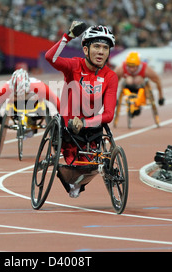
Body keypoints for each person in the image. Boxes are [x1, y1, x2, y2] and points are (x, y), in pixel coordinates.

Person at [45, 22, 118, 197]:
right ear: (86, 50)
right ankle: (73, 179)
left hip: (91, 127)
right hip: (67, 126)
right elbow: (50, 57)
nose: (101, 51)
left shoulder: (110, 76)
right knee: (74, 164)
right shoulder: (73, 66)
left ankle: (77, 181)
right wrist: (68, 36)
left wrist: (84, 122)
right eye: (97, 46)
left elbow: (108, 114)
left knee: (89, 165)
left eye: (105, 48)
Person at [0, 68, 61, 137]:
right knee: (11, 103)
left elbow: (54, 100)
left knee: (39, 104)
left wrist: (62, 115)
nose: (21, 97)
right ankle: (25, 125)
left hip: (34, 105)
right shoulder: (6, 87)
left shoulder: (39, 86)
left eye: (23, 94)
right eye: (17, 94)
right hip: (16, 105)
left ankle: (30, 123)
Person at [114, 51, 165, 116]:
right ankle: (132, 104)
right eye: (129, 66)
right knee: (129, 79)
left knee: (138, 79)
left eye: (133, 67)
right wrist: (114, 98)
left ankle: (137, 104)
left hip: (141, 89)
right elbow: (113, 83)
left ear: (138, 65)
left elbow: (158, 81)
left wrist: (161, 97)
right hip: (127, 88)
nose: (131, 69)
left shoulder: (146, 69)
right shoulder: (120, 69)